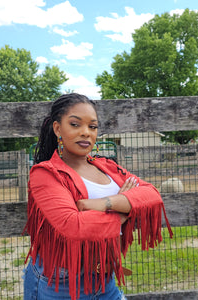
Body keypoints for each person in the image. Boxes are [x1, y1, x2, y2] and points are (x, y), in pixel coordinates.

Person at [23, 93, 173, 300]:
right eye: (75, 124)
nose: (86, 133)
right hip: (61, 283)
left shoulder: (107, 166)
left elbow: (152, 194)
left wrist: (104, 203)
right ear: (58, 129)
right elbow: (72, 225)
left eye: (92, 127)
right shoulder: (46, 173)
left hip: (104, 275)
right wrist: (122, 213)